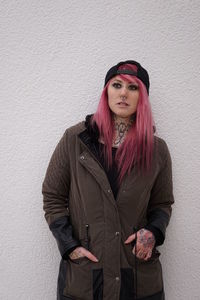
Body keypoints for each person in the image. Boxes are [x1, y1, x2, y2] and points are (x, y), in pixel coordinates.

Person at [42, 60, 174, 300]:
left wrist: (153, 232)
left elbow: (162, 204)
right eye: (116, 85)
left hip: (137, 276)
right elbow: (53, 196)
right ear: (106, 92)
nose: (123, 93)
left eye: (133, 88)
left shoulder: (157, 150)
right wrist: (70, 246)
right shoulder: (76, 140)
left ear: (142, 98)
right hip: (86, 277)